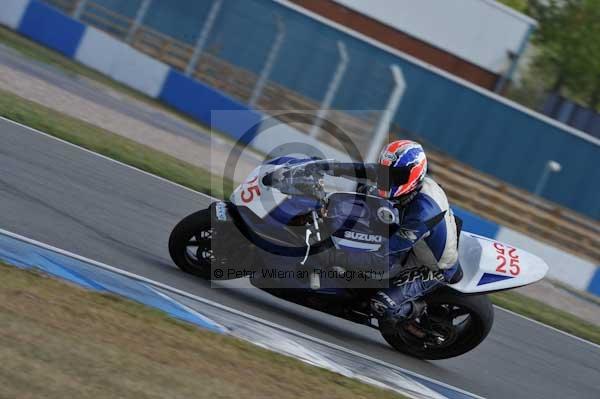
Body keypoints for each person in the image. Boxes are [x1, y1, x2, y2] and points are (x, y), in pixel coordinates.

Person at [318, 140, 461, 331]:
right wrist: (323, 167)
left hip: (432, 267)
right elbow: (365, 171)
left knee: (382, 306)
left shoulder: (422, 214)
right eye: (386, 173)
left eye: (395, 176)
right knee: (365, 198)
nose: (388, 179)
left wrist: (329, 255)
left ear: (413, 174)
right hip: (416, 238)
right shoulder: (410, 183)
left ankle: (415, 318)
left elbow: (382, 260)